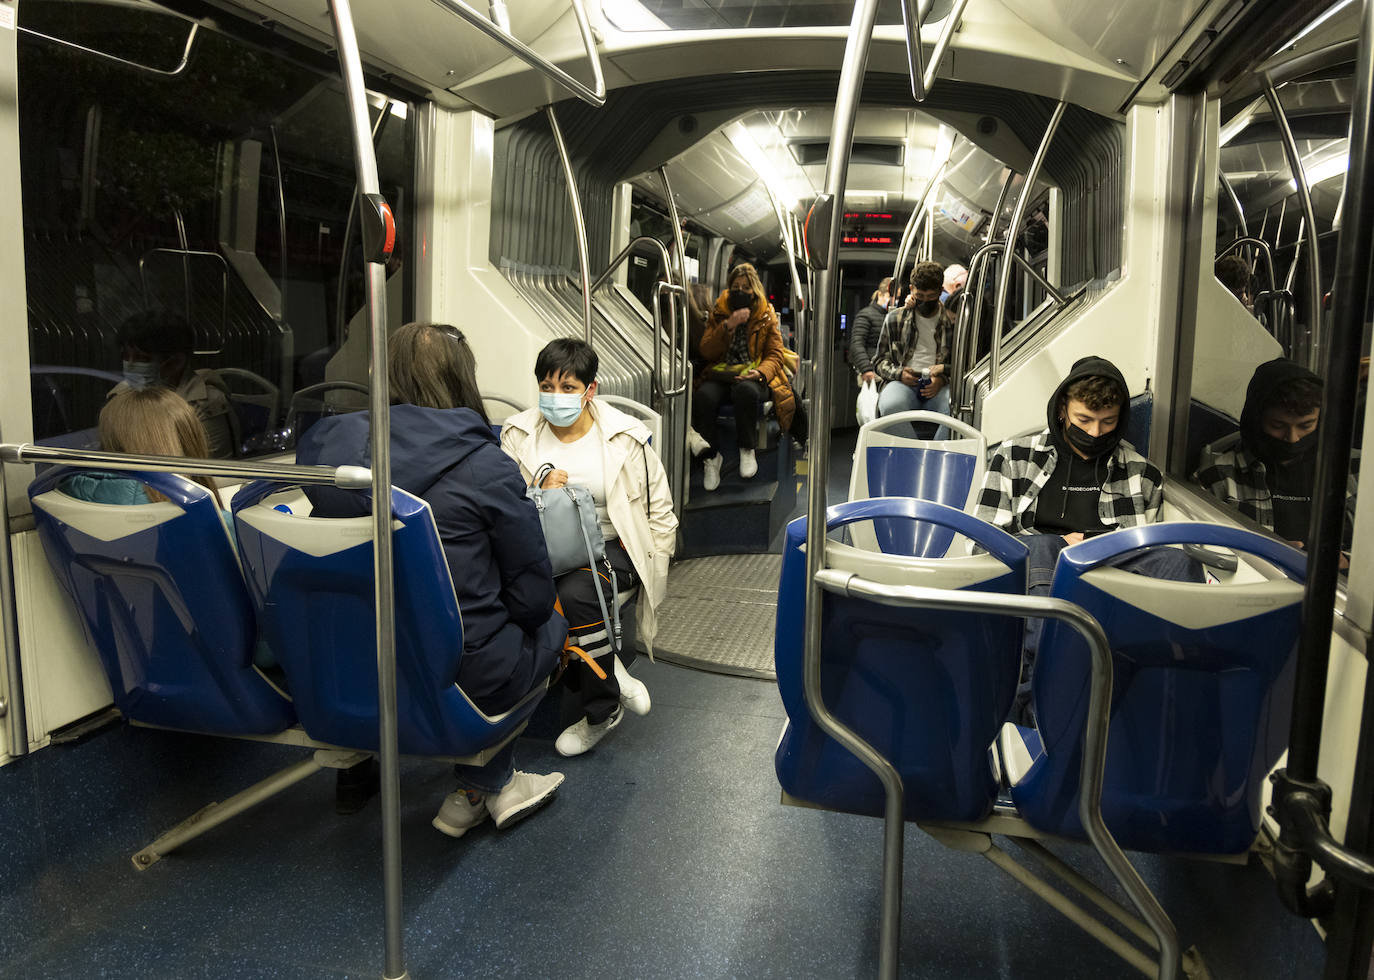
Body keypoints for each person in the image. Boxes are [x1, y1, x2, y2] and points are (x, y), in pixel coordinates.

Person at [296, 322, 566, 837]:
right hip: (456, 672)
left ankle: (440, 782)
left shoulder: (325, 459)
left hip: (349, 664)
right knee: (548, 624)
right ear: (462, 378)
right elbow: (531, 597)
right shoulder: (486, 465)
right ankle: (486, 780)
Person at [974, 356, 1201, 719]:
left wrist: (1092, 542)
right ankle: (1040, 694)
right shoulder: (1013, 457)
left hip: (1110, 579)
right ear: (1063, 411)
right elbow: (984, 542)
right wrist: (1059, 545)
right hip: (1035, 582)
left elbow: (1147, 550)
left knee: (1179, 562)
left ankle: (1172, 697)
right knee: (1045, 547)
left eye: (1107, 422)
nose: (1095, 433)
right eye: (1084, 420)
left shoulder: (1142, 474)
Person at [502, 338, 678, 757]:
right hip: (542, 546)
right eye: (547, 386)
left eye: (567, 387)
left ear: (589, 390)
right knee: (536, 585)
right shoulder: (517, 434)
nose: (555, 396)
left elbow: (660, 511)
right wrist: (535, 489)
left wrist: (657, 561)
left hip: (616, 546)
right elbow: (503, 503)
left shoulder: (626, 438)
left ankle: (600, 711)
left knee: (574, 591)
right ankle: (612, 678)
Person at [1196, 358, 1349, 549]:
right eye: (1278, 426)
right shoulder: (1220, 474)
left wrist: (1346, 562)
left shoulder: (1351, 471)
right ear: (1256, 420)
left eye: (1306, 426)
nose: (1293, 438)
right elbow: (1204, 548)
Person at [692, 263, 797, 490]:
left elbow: (775, 354)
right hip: (723, 371)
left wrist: (759, 372)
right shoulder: (720, 312)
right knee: (703, 397)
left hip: (755, 372)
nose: (740, 291)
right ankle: (711, 457)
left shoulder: (766, 315)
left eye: (746, 287)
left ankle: (746, 449)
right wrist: (728, 325)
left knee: (745, 391)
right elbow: (706, 350)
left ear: (754, 289)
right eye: (736, 287)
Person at [111, 311, 239, 459]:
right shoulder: (122, 392)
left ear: (176, 361)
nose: (130, 365)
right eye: (126, 356)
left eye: (142, 358)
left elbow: (213, 472)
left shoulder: (203, 407)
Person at [873, 260, 953, 438]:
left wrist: (942, 379)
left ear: (940, 292)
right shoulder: (895, 318)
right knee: (889, 405)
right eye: (920, 296)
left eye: (931, 296)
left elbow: (959, 364)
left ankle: (936, 455)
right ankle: (913, 454)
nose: (925, 301)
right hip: (904, 381)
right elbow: (879, 361)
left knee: (955, 408)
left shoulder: (951, 322)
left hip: (938, 383)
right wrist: (899, 374)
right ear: (911, 289)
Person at [849, 277, 893, 384]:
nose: (893, 300)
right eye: (890, 296)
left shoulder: (891, 316)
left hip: (887, 371)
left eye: (896, 297)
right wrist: (866, 369)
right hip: (872, 371)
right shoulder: (865, 315)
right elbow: (857, 344)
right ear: (880, 295)